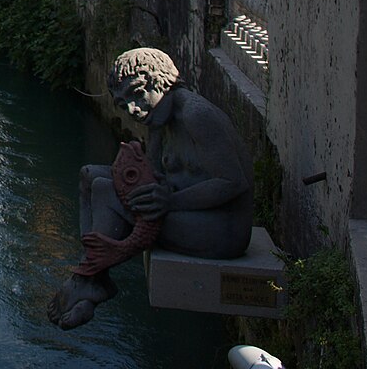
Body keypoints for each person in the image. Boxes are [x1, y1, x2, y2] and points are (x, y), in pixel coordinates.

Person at [47, 47, 253, 330]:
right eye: (123, 104)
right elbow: (154, 174)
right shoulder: (159, 119)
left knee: (107, 192)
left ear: (159, 82)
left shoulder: (197, 115)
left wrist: (170, 201)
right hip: (185, 212)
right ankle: (94, 274)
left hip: (222, 230)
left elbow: (233, 182)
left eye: (137, 94)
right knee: (89, 176)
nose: (133, 109)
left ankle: (87, 280)